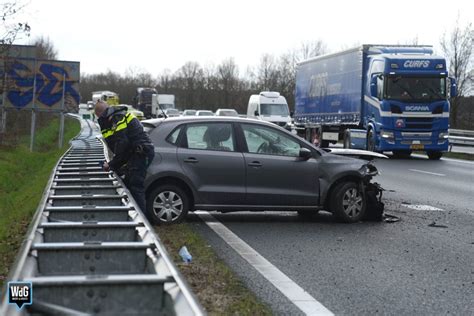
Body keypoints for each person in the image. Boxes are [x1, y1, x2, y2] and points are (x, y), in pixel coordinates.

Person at [94, 100, 155, 214]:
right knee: (128, 183)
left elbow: (122, 144)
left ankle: (142, 221)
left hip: (141, 153)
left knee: (136, 186)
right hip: (135, 153)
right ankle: (131, 215)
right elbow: (120, 147)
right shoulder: (113, 118)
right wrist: (115, 164)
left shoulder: (117, 118)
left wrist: (111, 164)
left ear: (99, 114)